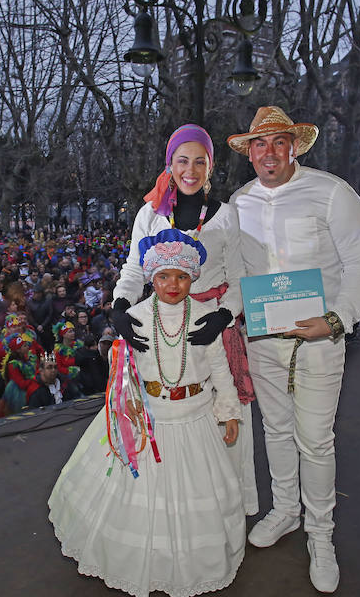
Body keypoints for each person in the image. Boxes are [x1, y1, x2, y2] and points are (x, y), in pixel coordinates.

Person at [227, 106, 360, 592]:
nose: (269, 152)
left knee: (315, 440)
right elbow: (236, 273)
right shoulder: (239, 202)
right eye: (260, 144)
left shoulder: (332, 192)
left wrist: (338, 319)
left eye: (278, 142)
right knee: (276, 430)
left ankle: (321, 535)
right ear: (249, 152)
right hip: (265, 339)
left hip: (320, 338)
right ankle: (286, 510)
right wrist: (233, 310)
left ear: (295, 146)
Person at [49, 228, 244, 597]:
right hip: (147, 418)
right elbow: (121, 373)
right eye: (164, 277)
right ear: (151, 278)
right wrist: (116, 348)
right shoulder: (135, 317)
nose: (173, 284)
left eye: (182, 277)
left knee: (196, 499)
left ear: (193, 278)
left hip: (195, 416)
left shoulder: (207, 318)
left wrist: (229, 411)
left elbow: (220, 369)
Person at [111, 123, 258, 515]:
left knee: (219, 418)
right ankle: (169, 510)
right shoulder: (150, 213)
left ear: (210, 167)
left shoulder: (226, 216)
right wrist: (120, 306)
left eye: (199, 161)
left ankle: (221, 511)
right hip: (161, 328)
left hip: (211, 329)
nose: (189, 170)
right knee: (166, 419)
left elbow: (239, 275)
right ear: (170, 164)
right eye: (182, 160)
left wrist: (224, 315)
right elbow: (133, 269)